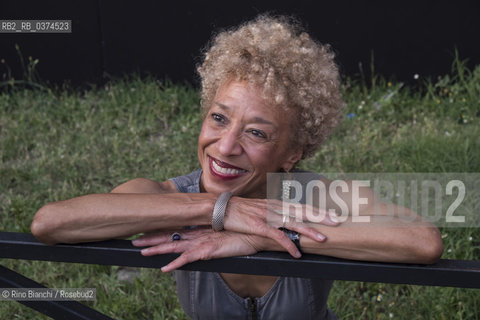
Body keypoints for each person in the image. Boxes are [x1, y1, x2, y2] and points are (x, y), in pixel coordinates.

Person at [31, 15, 443, 319]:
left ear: (292, 153)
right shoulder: (172, 195)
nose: (225, 147)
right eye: (219, 118)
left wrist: (265, 236)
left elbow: (422, 241)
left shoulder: (316, 196)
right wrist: (217, 210)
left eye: (257, 134)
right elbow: (51, 223)